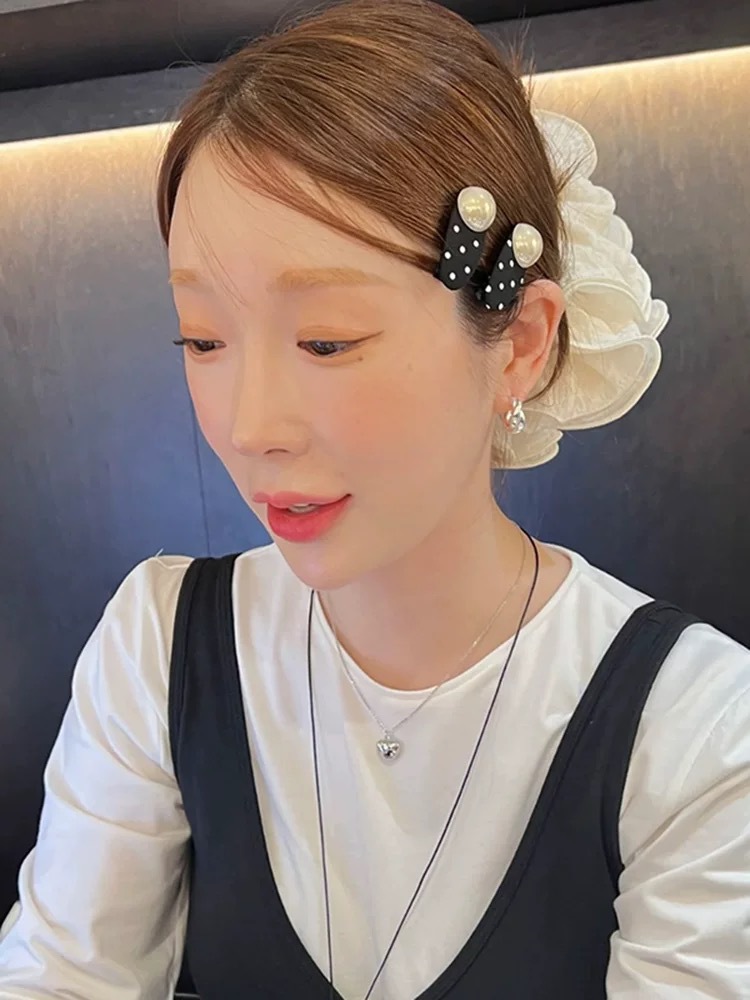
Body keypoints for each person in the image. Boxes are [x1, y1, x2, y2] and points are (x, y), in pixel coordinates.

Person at [1, 0, 749, 997]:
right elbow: (61, 974)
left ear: (520, 343)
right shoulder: (162, 642)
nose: (250, 425)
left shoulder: (696, 727)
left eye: (327, 341)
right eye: (203, 338)